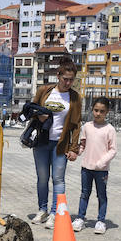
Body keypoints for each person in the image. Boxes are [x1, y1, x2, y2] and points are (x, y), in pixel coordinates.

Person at [30, 57, 82, 229]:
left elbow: (76, 124)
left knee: (58, 179)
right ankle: (42, 209)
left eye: (71, 80)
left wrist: (74, 148)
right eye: (65, 79)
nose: (68, 82)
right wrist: (39, 115)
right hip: (42, 142)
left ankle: (54, 213)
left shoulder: (74, 97)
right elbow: (30, 109)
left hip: (60, 144)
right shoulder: (45, 90)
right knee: (42, 178)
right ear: (58, 75)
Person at [72, 97, 117, 235]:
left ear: (107, 112)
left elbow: (113, 150)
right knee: (84, 193)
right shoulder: (87, 127)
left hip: (101, 170)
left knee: (101, 195)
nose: (98, 113)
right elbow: (83, 145)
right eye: (96, 110)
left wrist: (101, 163)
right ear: (92, 109)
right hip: (86, 168)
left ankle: (101, 221)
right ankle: (80, 218)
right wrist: (75, 153)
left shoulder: (110, 129)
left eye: (102, 111)